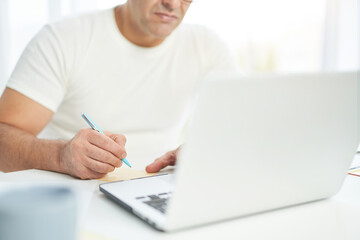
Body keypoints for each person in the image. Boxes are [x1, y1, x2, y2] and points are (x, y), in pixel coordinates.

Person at [0, 0, 236, 179]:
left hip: (161, 190)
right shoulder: (63, 38)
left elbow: (240, 130)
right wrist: (60, 155)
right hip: (71, 193)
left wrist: (201, 150)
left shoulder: (206, 46)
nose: (173, 4)